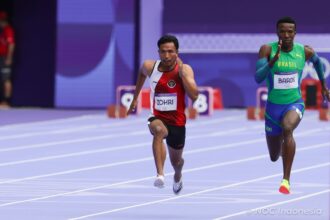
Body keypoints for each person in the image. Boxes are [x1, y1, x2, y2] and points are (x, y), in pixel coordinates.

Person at [255, 17, 330, 194]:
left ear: (295, 33)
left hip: (294, 103)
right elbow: (258, 78)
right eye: (282, 31)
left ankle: (286, 180)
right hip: (273, 109)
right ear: (277, 33)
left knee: (288, 128)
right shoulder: (267, 49)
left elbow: (318, 64)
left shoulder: (304, 51)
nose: (286, 35)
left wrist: (323, 86)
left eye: (290, 31)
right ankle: (284, 150)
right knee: (274, 156)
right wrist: (271, 62)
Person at [127, 35, 198, 194]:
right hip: (157, 116)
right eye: (163, 52)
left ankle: (178, 175)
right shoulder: (150, 66)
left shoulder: (185, 69)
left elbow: (194, 95)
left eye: (171, 52)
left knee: (177, 161)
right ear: (158, 52)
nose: (167, 56)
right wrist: (135, 97)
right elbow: (141, 74)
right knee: (158, 131)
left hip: (178, 123)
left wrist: (182, 75)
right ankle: (160, 174)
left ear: (177, 52)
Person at [0, 11, 15, 107]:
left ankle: (6, 102)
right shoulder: (2, 31)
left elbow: (11, 44)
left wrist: (9, 58)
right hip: (1, 57)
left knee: (6, 79)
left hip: (5, 57)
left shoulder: (8, 30)